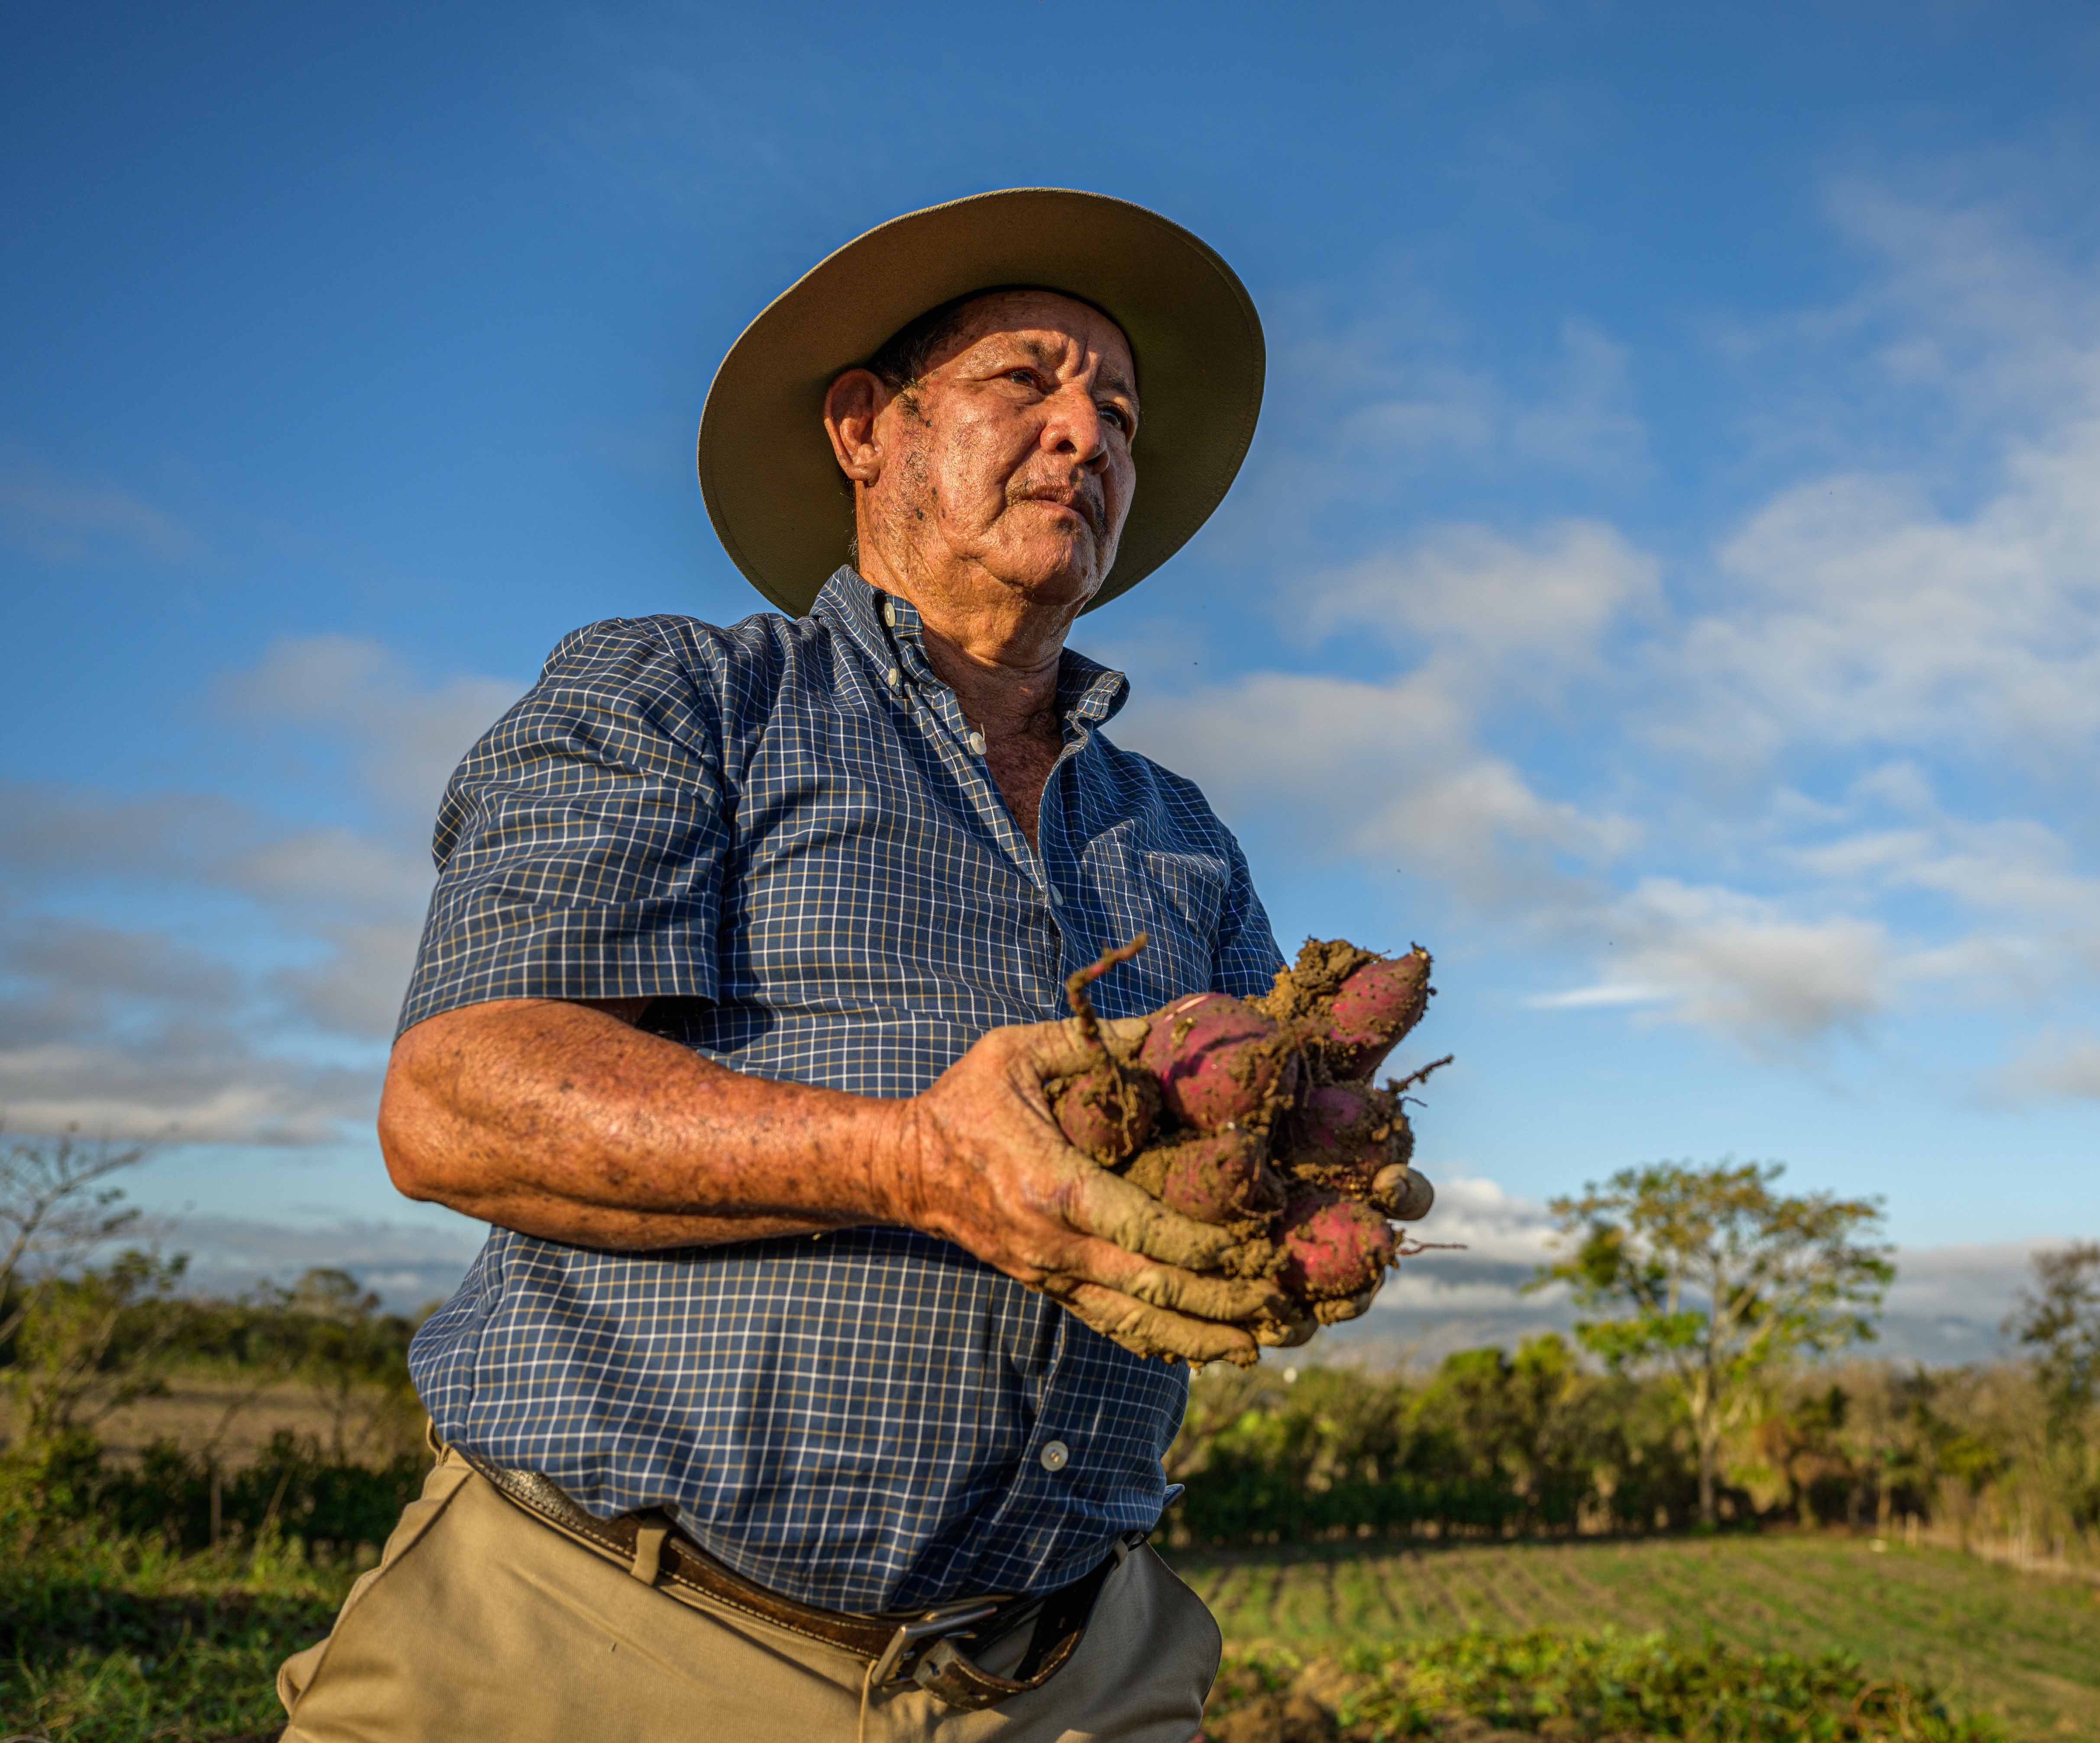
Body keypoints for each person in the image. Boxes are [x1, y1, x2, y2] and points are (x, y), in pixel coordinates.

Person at [272, 188, 1424, 1743]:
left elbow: (1249, 1136)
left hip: (1068, 1673)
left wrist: (1321, 1189)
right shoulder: (688, 697)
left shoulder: (1180, 835)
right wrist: (917, 1161)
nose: (1088, 436)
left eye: (1121, 415)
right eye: (1027, 381)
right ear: (865, 427)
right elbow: (458, 1100)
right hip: (600, 1639)